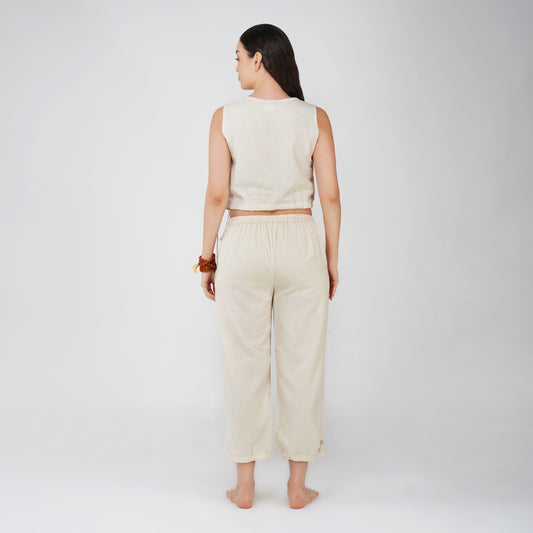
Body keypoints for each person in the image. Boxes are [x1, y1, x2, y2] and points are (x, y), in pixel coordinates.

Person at [193, 24, 340, 509]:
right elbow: (331, 197)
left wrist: (207, 258)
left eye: (238, 58)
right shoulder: (315, 117)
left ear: (259, 58)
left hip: (244, 239)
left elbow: (217, 195)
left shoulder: (225, 117)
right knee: (303, 363)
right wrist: (330, 259)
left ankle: (245, 487)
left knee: (244, 363)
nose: (235, 67)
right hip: (301, 238)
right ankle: (297, 487)